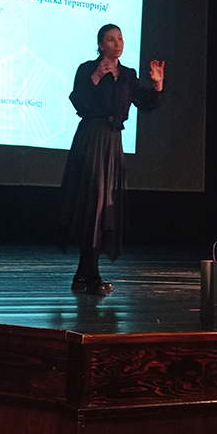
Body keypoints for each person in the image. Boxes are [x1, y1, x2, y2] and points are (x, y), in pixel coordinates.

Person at [58, 24, 165, 295]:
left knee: (105, 206)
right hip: (91, 139)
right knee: (94, 203)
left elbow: (147, 103)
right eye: (111, 39)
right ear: (100, 44)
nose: (117, 43)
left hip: (113, 142)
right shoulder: (87, 69)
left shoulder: (128, 75)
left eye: (120, 38)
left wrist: (157, 85)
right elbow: (79, 102)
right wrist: (96, 76)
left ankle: (84, 275)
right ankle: (90, 275)